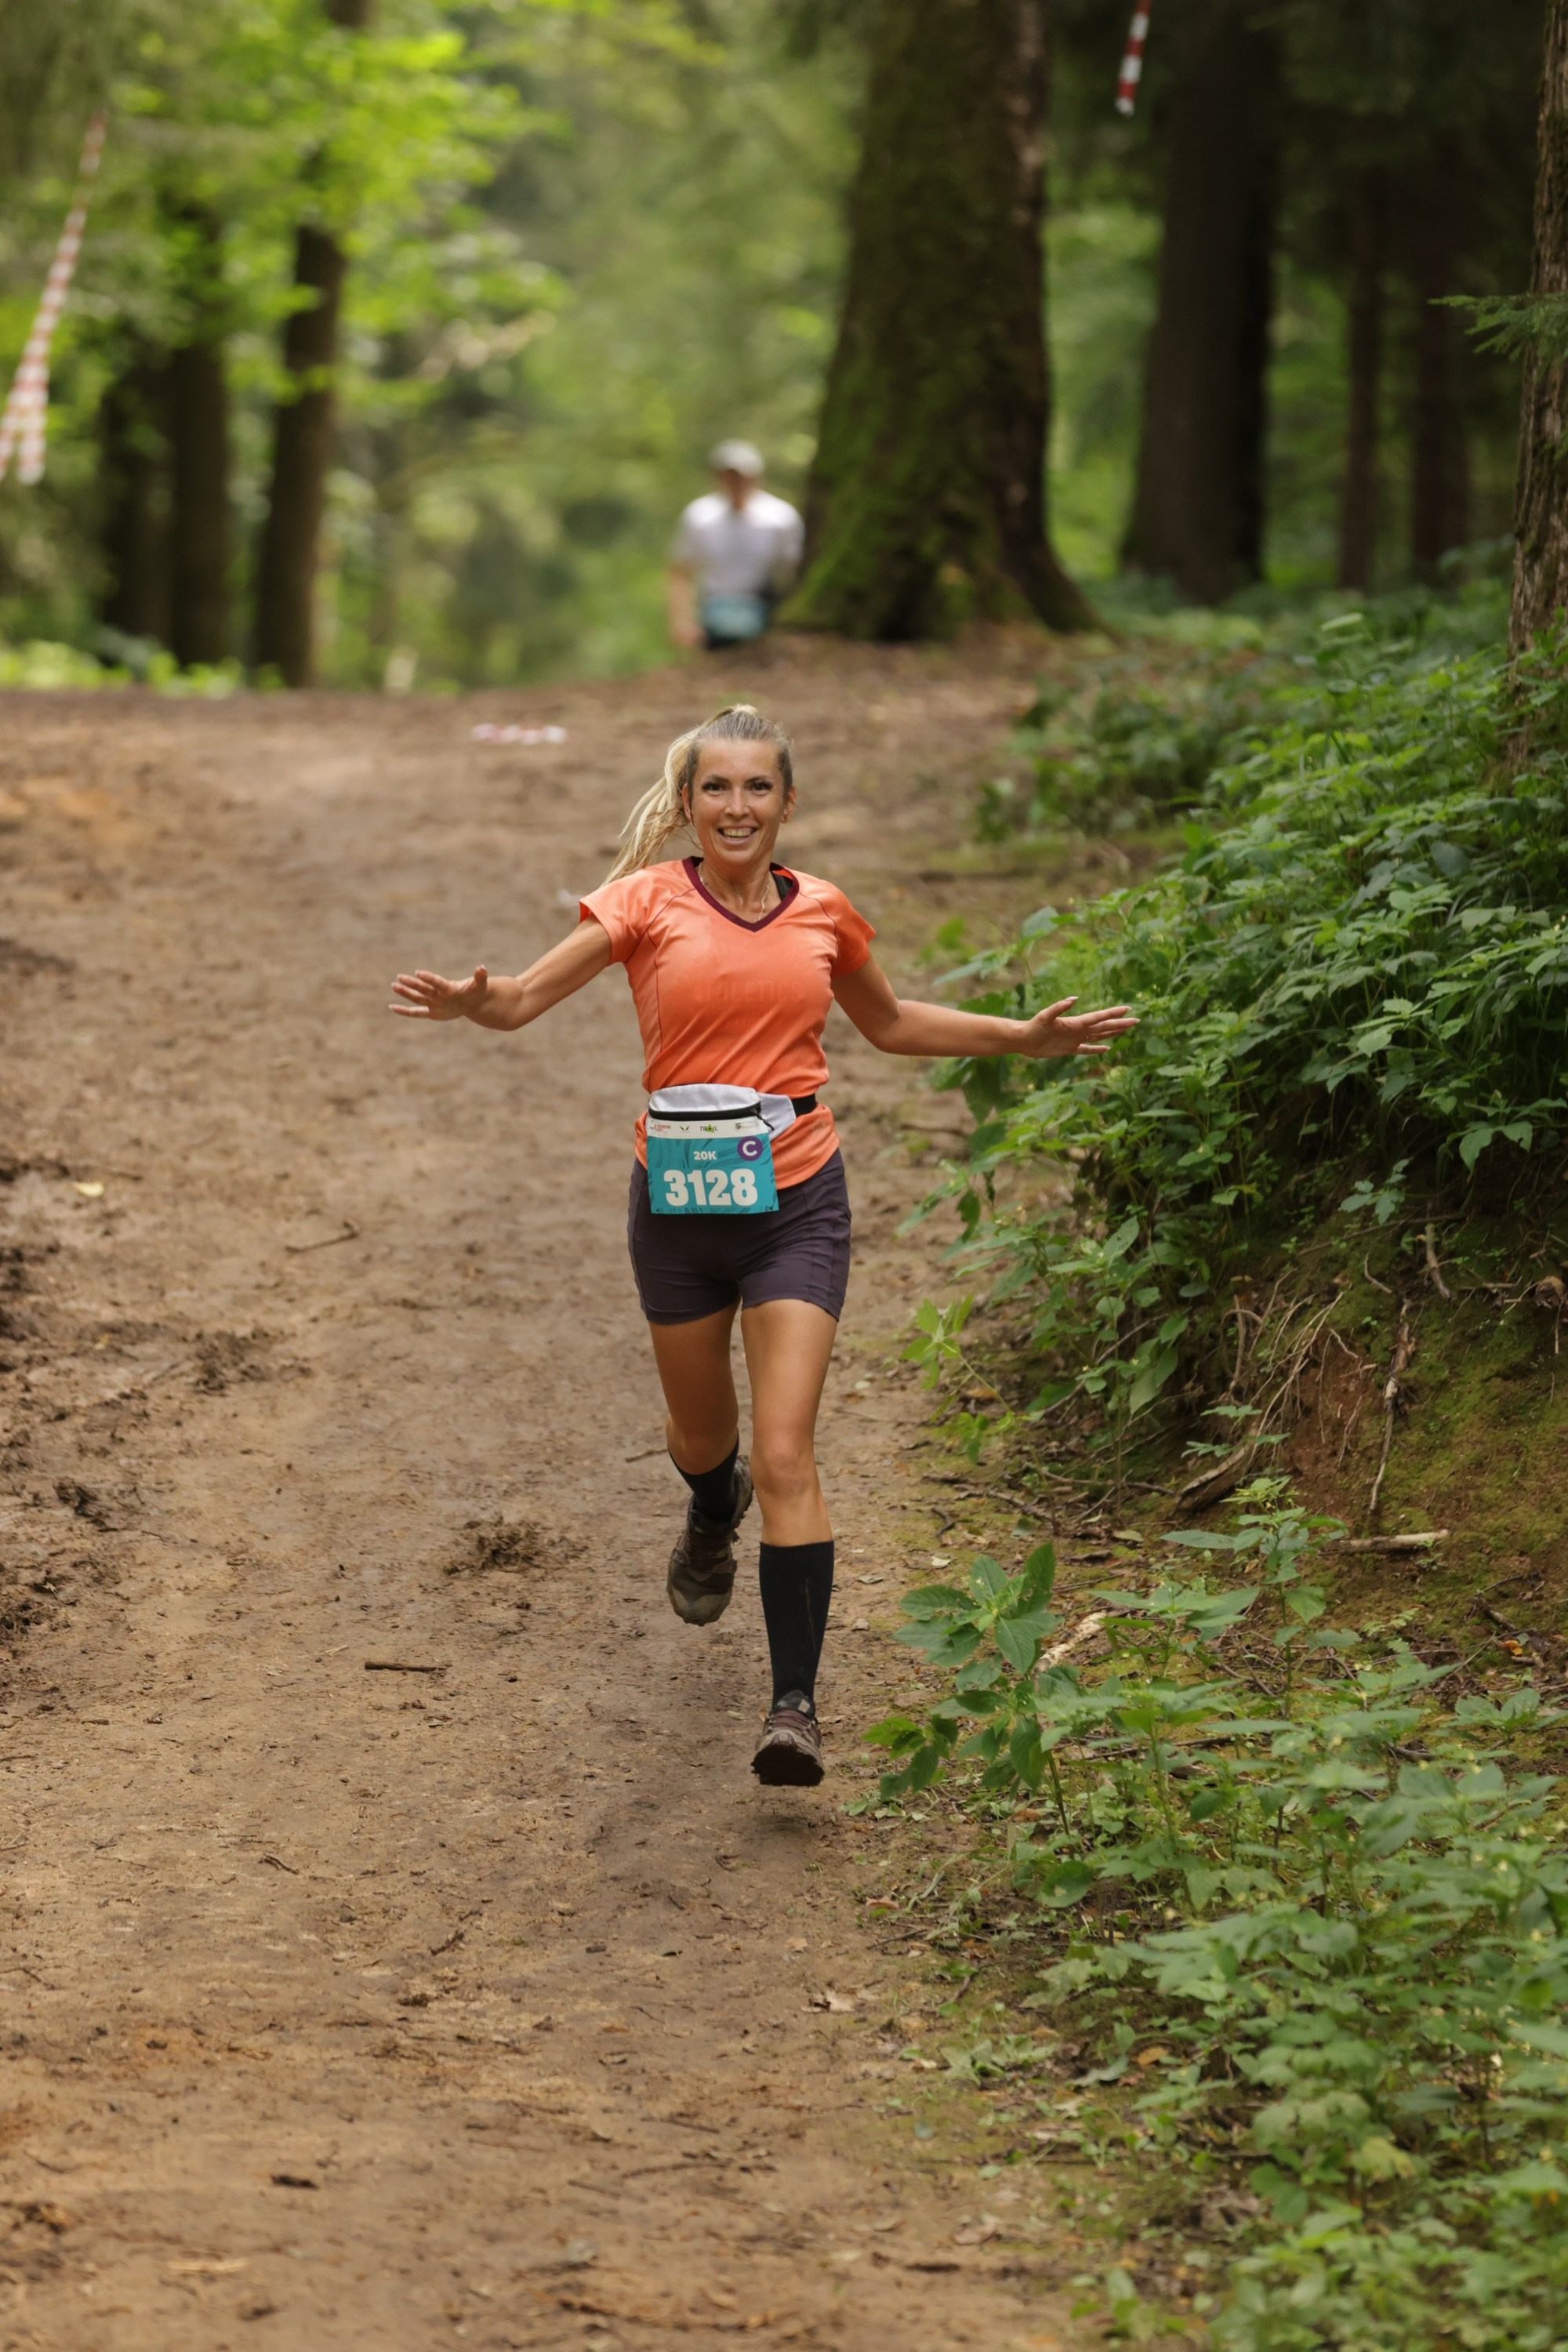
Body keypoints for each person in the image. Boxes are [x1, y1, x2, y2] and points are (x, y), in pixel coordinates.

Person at [390, 705, 1135, 1788]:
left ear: (787, 803)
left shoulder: (824, 910)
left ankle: (793, 1706)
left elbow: (887, 1026)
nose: (736, 808)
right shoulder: (643, 901)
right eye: (716, 789)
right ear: (687, 803)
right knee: (706, 1435)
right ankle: (707, 1502)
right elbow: (522, 999)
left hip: (797, 1201)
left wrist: (1021, 1037)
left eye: (756, 789)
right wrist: (476, 1001)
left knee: (790, 1452)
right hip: (680, 1212)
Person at [667, 442, 804, 653]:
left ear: (757, 477)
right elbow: (680, 571)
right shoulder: (699, 516)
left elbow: (793, 569)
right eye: (728, 476)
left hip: (765, 606)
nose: (736, 483)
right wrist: (682, 621)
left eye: (742, 476)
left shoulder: (781, 517)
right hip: (715, 609)